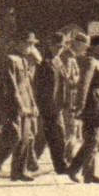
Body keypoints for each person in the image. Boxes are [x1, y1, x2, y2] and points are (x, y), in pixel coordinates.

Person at [0, 35, 39, 181]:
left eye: (32, 44)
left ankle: (18, 171)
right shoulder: (10, 60)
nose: (30, 47)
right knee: (13, 136)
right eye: (28, 43)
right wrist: (20, 105)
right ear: (19, 43)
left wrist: (33, 104)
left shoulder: (23, 60)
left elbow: (28, 85)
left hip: (26, 103)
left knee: (26, 137)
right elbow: (12, 86)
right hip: (13, 104)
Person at [30, 31, 76, 175]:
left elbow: (64, 81)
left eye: (62, 46)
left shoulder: (58, 61)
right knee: (57, 136)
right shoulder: (45, 63)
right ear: (50, 45)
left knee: (48, 137)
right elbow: (38, 87)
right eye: (57, 46)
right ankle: (61, 166)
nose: (59, 49)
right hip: (48, 106)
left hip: (58, 105)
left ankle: (30, 163)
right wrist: (40, 106)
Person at [67, 36, 99, 183]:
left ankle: (86, 172)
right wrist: (80, 105)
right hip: (92, 106)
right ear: (96, 47)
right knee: (91, 140)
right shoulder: (91, 62)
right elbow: (84, 85)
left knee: (92, 141)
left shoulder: (97, 62)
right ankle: (80, 171)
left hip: (97, 106)